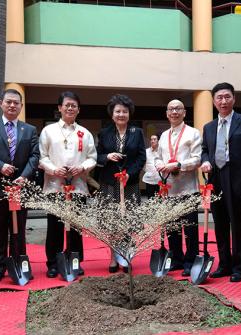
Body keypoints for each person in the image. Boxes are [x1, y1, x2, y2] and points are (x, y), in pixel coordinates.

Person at [0, 89, 40, 283]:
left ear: (21, 106)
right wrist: (0, 166)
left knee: (18, 228)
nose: (12, 106)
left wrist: (25, 176)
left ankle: (19, 263)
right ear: (1, 103)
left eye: (16, 103)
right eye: (9, 102)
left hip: (20, 187)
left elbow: (34, 156)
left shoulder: (29, 129)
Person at [200, 83, 241, 282]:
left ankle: (239, 267)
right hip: (215, 178)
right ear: (214, 101)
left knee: (238, 224)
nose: (223, 101)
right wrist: (205, 161)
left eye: (227, 97)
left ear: (234, 99)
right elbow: (205, 150)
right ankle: (224, 264)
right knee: (220, 223)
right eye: (219, 98)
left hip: (238, 178)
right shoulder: (208, 127)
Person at [39, 91, 97, 278]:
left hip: (77, 187)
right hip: (54, 186)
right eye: (67, 105)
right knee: (54, 227)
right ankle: (53, 263)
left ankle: (75, 261)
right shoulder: (48, 131)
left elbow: (92, 158)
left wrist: (82, 167)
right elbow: (42, 157)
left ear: (78, 110)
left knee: (76, 228)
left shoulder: (85, 133)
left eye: (74, 105)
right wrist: (54, 169)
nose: (70, 108)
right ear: (59, 108)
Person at [97, 94, 146, 273]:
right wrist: (107, 157)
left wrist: (129, 174)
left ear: (129, 114)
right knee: (112, 221)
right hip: (109, 182)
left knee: (128, 220)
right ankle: (112, 257)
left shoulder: (137, 132)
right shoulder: (104, 133)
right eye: (118, 111)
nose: (121, 114)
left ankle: (126, 256)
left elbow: (141, 157)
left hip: (129, 182)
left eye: (124, 111)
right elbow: (97, 156)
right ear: (112, 114)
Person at [154, 99, 201, 276]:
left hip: (188, 187)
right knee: (172, 227)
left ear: (184, 112)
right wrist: (160, 165)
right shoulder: (164, 135)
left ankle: (190, 260)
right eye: (171, 109)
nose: (174, 112)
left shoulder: (193, 133)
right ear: (167, 113)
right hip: (169, 188)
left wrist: (178, 165)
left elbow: (197, 159)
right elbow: (157, 157)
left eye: (178, 109)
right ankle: (176, 259)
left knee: (189, 227)